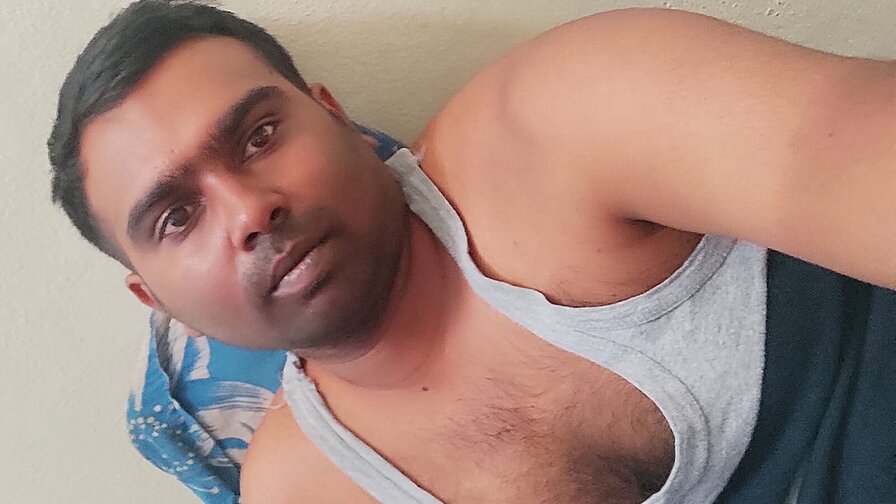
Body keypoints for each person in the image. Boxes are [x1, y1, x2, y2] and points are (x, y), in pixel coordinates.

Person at [49, 1, 896, 503]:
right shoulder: (306, 487)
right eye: (176, 218)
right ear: (158, 303)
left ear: (335, 116)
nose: (248, 210)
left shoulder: (559, 122)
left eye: (260, 135)